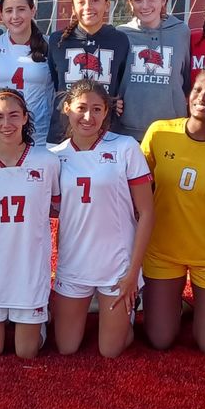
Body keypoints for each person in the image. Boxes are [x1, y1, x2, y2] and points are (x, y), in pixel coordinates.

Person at [139, 67, 205, 356]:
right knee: (160, 340)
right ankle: (178, 306)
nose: (203, 97)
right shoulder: (159, 133)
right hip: (162, 251)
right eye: (198, 89)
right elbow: (137, 191)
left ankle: (200, 309)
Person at [49, 79, 154, 358]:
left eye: (97, 109)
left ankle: (124, 321)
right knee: (66, 347)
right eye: (81, 108)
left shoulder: (125, 147)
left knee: (110, 351)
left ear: (106, 111)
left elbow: (146, 212)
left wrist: (132, 274)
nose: (88, 116)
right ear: (67, 108)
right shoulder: (53, 157)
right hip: (74, 262)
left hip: (116, 264)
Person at [0, 89, 60, 359]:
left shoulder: (47, 161)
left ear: (25, 118)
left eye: (13, 115)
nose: (6, 123)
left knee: (26, 353)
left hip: (29, 267)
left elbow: (56, 208)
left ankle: (40, 321)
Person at [46, 0, 131, 143]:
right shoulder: (57, 41)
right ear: (73, 8)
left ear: (107, 5)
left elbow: (120, 84)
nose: (88, 7)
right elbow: (57, 83)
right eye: (81, 2)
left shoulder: (120, 40)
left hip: (106, 133)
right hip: (62, 133)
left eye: (95, 0)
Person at [115, 0, 190, 142]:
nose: (145, 5)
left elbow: (186, 78)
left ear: (164, 0)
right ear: (130, 3)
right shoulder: (121, 34)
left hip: (172, 130)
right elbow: (114, 79)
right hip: (128, 132)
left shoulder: (181, 32)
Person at [0, 0, 54, 143]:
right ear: (1, 15)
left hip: (41, 134)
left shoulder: (50, 45)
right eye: (9, 11)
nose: (15, 16)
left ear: (33, 11)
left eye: (21, 9)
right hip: (6, 131)